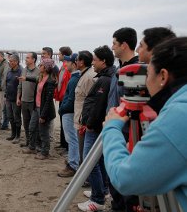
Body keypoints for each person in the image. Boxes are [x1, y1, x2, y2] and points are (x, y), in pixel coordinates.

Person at [103, 37, 187, 211]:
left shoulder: (178, 116)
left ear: (163, 75)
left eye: (148, 74)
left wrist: (111, 128)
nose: (145, 82)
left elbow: (125, 179)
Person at [77, 45, 115, 211]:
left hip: (95, 127)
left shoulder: (105, 80)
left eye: (95, 59)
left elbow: (98, 106)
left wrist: (89, 124)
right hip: (98, 126)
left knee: (89, 162)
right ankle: (103, 190)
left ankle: (97, 199)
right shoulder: (106, 76)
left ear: (103, 61)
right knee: (99, 161)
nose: (93, 62)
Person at [108, 27, 140, 210]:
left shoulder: (134, 71)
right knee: (115, 188)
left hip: (127, 136)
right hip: (114, 130)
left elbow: (133, 109)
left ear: (124, 45)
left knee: (126, 192)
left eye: (114, 43)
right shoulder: (119, 69)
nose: (112, 47)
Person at [21, 58, 57, 160]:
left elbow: (48, 100)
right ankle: (32, 147)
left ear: (46, 68)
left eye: (41, 65)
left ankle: (45, 152)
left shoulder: (50, 81)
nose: (39, 66)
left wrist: (43, 115)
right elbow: (34, 79)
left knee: (43, 132)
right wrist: (25, 78)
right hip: (36, 108)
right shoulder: (41, 77)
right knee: (32, 128)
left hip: (44, 110)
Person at [57, 53, 80, 177]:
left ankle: (73, 165)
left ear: (74, 64)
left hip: (69, 112)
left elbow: (71, 100)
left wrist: (62, 109)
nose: (65, 64)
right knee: (71, 139)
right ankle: (73, 160)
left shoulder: (75, 78)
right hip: (69, 111)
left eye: (68, 62)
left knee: (71, 139)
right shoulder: (74, 77)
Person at [73, 51, 96, 165]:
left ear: (81, 62)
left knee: (84, 151)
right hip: (80, 118)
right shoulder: (84, 74)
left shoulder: (89, 77)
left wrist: (85, 122)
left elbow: (91, 102)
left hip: (83, 121)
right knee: (81, 149)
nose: (75, 62)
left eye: (77, 60)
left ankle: (86, 179)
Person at [17, 52, 39, 147]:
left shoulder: (38, 71)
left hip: (33, 102)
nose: (25, 59)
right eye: (25, 58)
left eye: (28, 58)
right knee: (26, 124)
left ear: (33, 59)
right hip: (24, 101)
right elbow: (20, 85)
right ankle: (28, 141)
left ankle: (34, 144)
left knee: (33, 125)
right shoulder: (24, 70)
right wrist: (18, 97)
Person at [54, 46, 72, 150]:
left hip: (65, 98)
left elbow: (67, 84)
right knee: (62, 122)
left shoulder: (67, 68)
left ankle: (66, 146)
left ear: (64, 55)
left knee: (65, 123)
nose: (58, 55)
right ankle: (62, 144)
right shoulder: (63, 67)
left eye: (59, 54)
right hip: (62, 98)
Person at [5, 54, 23, 143]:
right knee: (10, 117)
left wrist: (19, 98)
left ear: (16, 62)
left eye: (12, 61)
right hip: (8, 97)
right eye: (9, 61)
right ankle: (13, 134)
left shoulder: (21, 71)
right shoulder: (9, 71)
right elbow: (7, 82)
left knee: (17, 117)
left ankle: (18, 136)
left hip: (16, 98)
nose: (10, 63)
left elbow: (21, 86)